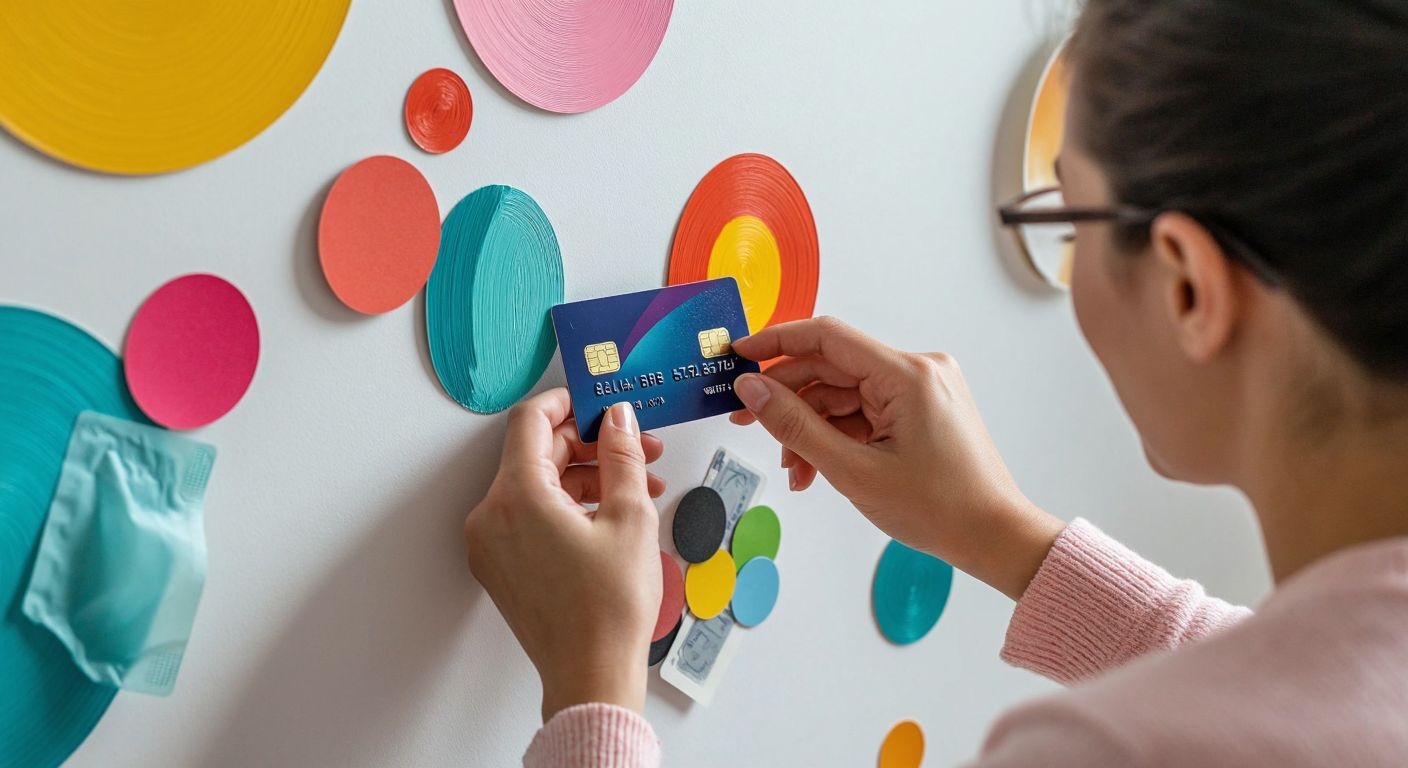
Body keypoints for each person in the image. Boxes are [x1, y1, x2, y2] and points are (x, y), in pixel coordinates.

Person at [463, 0, 1408, 764]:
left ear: (1190, 286)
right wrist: (991, 527)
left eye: (1069, 224)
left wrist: (591, 686)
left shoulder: (1113, 751)